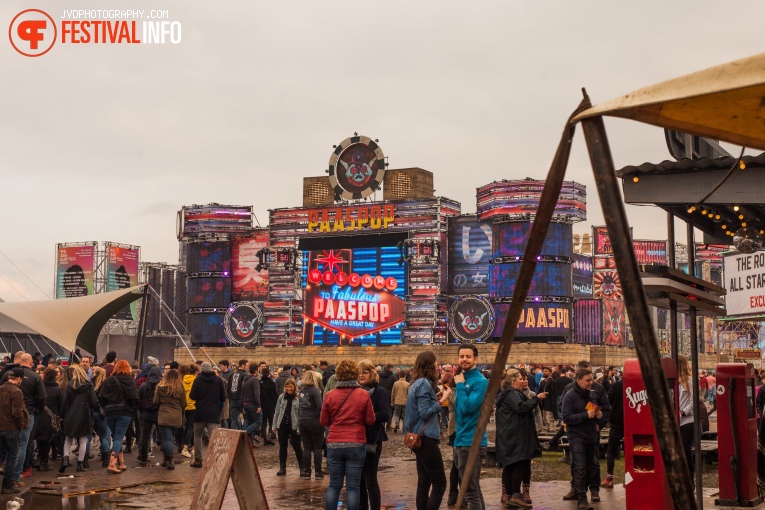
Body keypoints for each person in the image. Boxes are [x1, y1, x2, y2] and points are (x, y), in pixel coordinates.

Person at [321, 360, 375, 510]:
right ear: (355, 374)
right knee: (353, 486)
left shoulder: (330, 395)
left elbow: (324, 420)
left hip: (334, 443)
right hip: (356, 443)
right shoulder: (363, 394)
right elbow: (370, 420)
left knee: (334, 485)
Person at [406, 350, 450, 510]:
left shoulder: (416, 383)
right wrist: (443, 400)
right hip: (426, 438)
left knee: (424, 483)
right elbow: (424, 412)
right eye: (435, 362)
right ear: (430, 365)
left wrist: (436, 397)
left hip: (418, 436)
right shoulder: (424, 384)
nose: (438, 365)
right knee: (440, 484)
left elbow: (421, 407)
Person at [495, 369, 543, 508]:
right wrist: (536, 398)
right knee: (518, 464)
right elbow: (521, 408)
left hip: (509, 435)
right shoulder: (512, 394)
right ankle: (515, 495)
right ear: (513, 381)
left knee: (509, 466)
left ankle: (510, 496)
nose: (523, 381)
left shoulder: (507, 394)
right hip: (515, 437)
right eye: (520, 379)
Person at [561, 368, 604, 510]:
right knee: (580, 467)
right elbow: (566, 417)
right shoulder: (570, 396)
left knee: (589, 467)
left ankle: (583, 491)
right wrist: (586, 416)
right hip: (576, 436)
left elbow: (593, 411)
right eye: (587, 380)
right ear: (578, 381)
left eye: (591, 380)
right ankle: (581, 498)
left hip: (590, 436)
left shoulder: (590, 395)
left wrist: (598, 416)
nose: (590, 383)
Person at [453, 345, 488, 510]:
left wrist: (459, 386)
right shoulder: (463, 379)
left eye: (468, 356)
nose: (464, 359)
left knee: (470, 491)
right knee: (473, 488)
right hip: (461, 441)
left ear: (476, 359)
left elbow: (468, 407)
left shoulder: (480, 382)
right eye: (461, 356)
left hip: (472, 442)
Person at [2, 353, 45, 484]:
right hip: (26, 414)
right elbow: (42, 397)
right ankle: (15, 475)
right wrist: (37, 409)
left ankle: (9, 475)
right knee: (21, 445)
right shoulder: (35, 377)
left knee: (6, 449)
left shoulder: (6, 375)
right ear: (31, 363)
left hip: (5, 416)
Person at [358, 359, 391, 510]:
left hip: (373, 439)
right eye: (359, 372)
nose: (361, 375)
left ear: (371, 373)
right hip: (356, 439)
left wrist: (368, 416)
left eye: (365, 372)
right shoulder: (354, 390)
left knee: (370, 479)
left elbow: (385, 414)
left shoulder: (379, 392)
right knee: (358, 480)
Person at [98, 360, 138, 474]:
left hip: (109, 413)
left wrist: (105, 407)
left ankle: (121, 463)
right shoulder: (130, 381)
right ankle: (112, 463)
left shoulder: (109, 380)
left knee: (116, 437)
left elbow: (101, 397)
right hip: (124, 412)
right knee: (119, 437)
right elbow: (134, 399)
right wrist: (132, 411)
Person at [59, 366, 100, 473]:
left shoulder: (70, 385)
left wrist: (61, 415)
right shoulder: (89, 386)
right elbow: (94, 402)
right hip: (85, 415)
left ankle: (65, 459)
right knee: (83, 441)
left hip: (71, 413)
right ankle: (80, 464)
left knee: (68, 439)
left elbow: (64, 402)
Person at [189, 362, 226, 468]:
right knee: (213, 437)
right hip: (213, 413)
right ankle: (214, 459)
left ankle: (198, 459)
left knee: (197, 435)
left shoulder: (197, 380)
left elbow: (192, 396)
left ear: (201, 370)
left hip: (199, 412)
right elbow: (223, 397)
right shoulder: (218, 380)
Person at [153, 368, 186, 470]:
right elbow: (184, 404)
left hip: (164, 416)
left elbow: (155, 401)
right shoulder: (180, 387)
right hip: (176, 416)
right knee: (169, 438)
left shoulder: (160, 387)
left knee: (167, 439)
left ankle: (170, 459)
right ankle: (166, 459)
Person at [0, 368, 27, 493]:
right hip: (11, 428)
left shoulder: (0, 388)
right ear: (19, 379)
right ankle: (7, 485)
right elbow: (17, 413)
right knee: (12, 456)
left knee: (1, 455)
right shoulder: (16, 392)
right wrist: (20, 426)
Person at [273, 378, 303, 476]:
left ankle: (302, 468)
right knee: (282, 447)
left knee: (297, 447)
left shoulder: (298, 398)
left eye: (291, 387)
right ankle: (282, 468)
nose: (289, 389)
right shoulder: (281, 397)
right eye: (287, 387)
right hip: (282, 424)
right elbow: (277, 411)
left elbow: (300, 414)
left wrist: (299, 428)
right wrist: (274, 426)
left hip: (293, 425)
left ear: (294, 387)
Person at [298, 370, 324, 479]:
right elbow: (320, 406)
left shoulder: (301, 391)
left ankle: (307, 472)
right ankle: (318, 472)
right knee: (317, 447)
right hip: (314, 420)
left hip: (303, 420)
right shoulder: (315, 390)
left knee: (307, 447)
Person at [137, 366, 162, 467]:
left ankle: (143, 458)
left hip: (146, 413)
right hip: (158, 413)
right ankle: (166, 457)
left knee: (145, 436)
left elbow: (139, 400)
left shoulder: (143, 385)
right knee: (163, 435)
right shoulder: (161, 385)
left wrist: (143, 410)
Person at [601, 376, 624, 489]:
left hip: (617, 421)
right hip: (633, 422)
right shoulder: (641, 385)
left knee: (611, 450)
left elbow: (608, 401)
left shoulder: (617, 385)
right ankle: (630, 477)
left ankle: (609, 478)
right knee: (632, 451)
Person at [678, 354, 695, 479]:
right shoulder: (673, 381)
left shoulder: (689, 381)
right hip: (675, 420)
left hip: (687, 420)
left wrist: (684, 412)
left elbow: (694, 401)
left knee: (685, 450)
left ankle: (689, 477)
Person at [89, 367, 111, 467]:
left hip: (91, 412)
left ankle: (84, 460)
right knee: (104, 436)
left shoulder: (90, 383)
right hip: (102, 413)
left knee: (88, 435)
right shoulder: (106, 384)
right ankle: (105, 458)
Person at [180, 364, 197, 458]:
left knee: (191, 428)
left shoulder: (183, 380)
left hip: (186, 407)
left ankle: (194, 448)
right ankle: (185, 448)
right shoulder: (195, 380)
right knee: (191, 428)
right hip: (194, 406)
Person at [242, 363, 262, 443]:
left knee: (247, 421)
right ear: (256, 371)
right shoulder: (255, 379)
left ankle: (249, 442)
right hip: (253, 404)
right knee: (258, 422)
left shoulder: (244, 379)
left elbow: (242, 393)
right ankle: (244, 435)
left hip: (245, 404)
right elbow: (256, 393)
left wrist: (242, 405)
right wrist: (258, 405)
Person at [227, 360, 248, 430]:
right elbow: (246, 388)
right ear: (242, 365)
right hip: (242, 400)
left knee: (234, 420)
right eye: (247, 366)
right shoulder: (244, 375)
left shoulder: (232, 374)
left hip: (233, 399)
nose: (247, 368)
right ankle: (244, 436)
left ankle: (233, 437)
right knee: (246, 419)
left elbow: (228, 387)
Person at [260, 367, 278, 445]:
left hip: (262, 404)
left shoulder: (260, 382)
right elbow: (274, 394)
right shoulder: (271, 383)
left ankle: (264, 437)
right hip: (270, 404)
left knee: (263, 421)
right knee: (271, 421)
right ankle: (271, 435)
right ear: (268, 373)